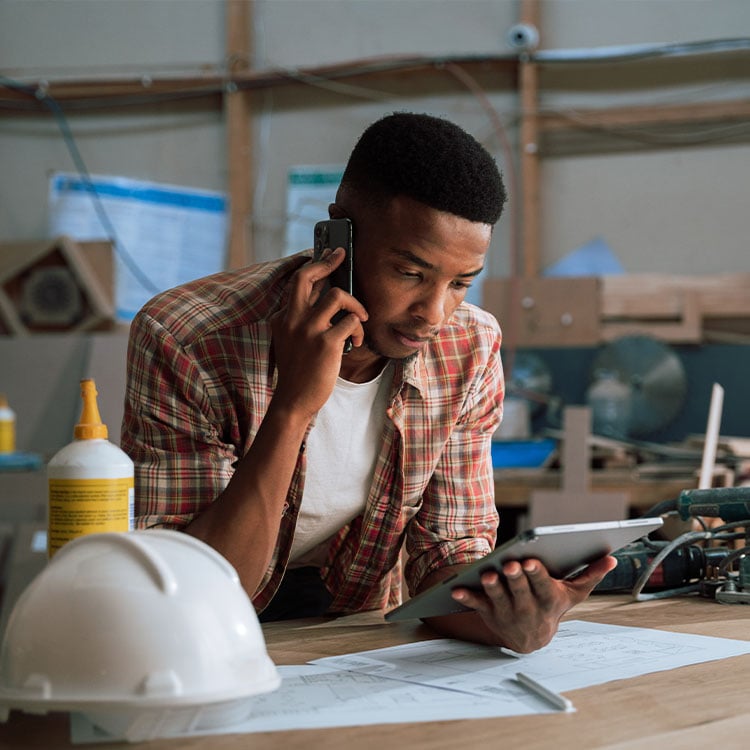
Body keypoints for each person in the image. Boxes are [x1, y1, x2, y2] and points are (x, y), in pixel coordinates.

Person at [121, 111, 615, 652]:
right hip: (197, 641)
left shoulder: (469, 345)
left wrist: (516, 620)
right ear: (338, 237)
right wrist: (293, 406)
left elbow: (443, 564)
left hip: (349, 640)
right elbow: (192, 590)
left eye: (460, 283)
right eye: (410, 273)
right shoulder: (188, 337)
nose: (433, 312)